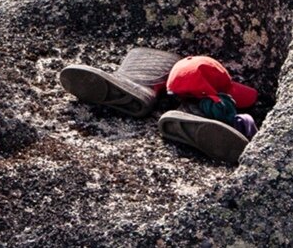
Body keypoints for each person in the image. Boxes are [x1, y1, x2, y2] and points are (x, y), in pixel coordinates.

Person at [59, 49, 258, 165]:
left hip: (174, 84)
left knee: (162, 70)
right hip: (201, 95)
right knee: (236, 117)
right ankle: (193, 114)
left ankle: (139, 87)